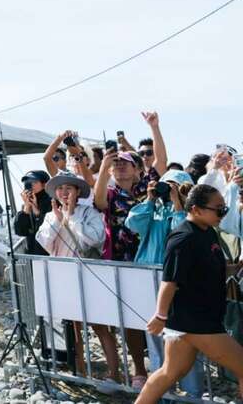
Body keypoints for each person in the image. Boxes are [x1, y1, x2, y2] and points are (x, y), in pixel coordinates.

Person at [134, 185, 243, 404]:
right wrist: (160, 316)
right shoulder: (183, 238)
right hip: (196, 321)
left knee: (170, 372)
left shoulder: (208, 231)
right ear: (196, 209)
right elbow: (170, 281)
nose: (223, 214)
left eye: (225, 209)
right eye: (219, 209)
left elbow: (212, 270)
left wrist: (237, 267)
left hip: (195, 319)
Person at [36, 171, 122, 382]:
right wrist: (59, 221)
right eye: (60, 189)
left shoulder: (89, 213)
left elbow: (95, 239)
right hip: (63, 277)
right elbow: (44, 242)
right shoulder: (50, 215)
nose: (64, 193)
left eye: (69, 188)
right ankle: (80, 370)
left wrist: (72, 216)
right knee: (72, 326)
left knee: (100, 325)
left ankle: (115, 373)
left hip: (89, 276)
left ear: (77, 191)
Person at [125, 170, 204, 398]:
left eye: (173, 185)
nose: (167, 189)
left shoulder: (191, 213)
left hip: (179, 284)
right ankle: (163, 394)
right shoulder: (154, 209)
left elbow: (184, 236)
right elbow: (133, 224)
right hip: (148, 282)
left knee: (185, 340)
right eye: (165, 185)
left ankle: (192, 394)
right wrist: (150, 199)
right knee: (156, 340)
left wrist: (177, 204)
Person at [93, 150, 152, 386]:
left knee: (161, 316)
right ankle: (139, 370)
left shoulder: (147, 188)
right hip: (123, 261)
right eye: (115, 164)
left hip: (152, 257)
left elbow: (160, 160)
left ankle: (167, 369)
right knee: (131, 319)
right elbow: (98, 201)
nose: (120, 167)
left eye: (125, 163)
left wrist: (154, 128)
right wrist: (104, 164)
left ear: (138, 169)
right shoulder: (110, 193)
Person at [14, 171, 52, 256]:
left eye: (34, 182)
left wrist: (37, 212)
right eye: (27, 182)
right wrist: (27, 207)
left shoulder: (52, 202)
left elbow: (49, 230)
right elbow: (20, 231)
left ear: (45, 184)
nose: (30, 185)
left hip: (48, 255)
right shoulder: (27, 204)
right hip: (32, 254)